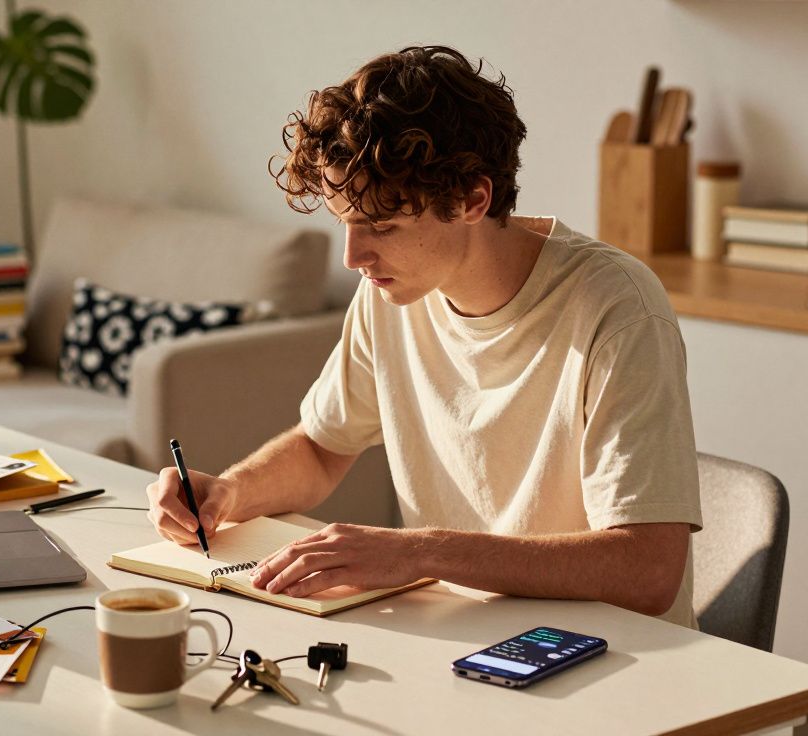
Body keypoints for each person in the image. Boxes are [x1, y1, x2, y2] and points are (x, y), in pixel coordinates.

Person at [144, 46, 703, 626]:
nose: (353, 256)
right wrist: (229, 494)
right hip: (465, 633)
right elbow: (320, 448)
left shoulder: (618, 310)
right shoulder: (392, 292)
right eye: (346, 222)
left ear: (472, 199)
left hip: (614, 659)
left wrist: (420, 552)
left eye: (381, 226)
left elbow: (647, 569)